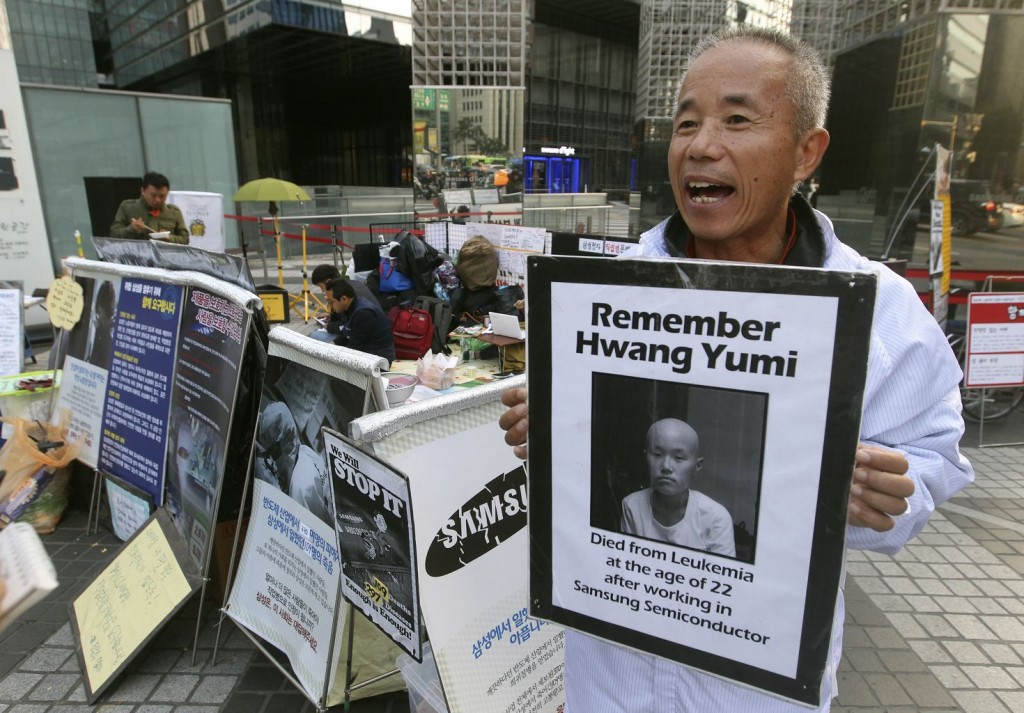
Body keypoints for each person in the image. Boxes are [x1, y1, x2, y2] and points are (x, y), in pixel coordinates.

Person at [498, 26, 974, 712]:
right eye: (686, 121)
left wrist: (883, 493)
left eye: (738, 119)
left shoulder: (881, 310)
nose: (701, 144)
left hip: (759, 689)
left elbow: (930, 460)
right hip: (610, 681)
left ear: (808, 152)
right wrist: (544, 431)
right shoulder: (601, 293)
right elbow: (567, 460)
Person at [622, 419, 735, 557]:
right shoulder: (632, 506)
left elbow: (721, 576)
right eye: (657, 455)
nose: (666, 466)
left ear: (697, 465)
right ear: (645, 456)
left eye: (678, 457)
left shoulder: (716, 518)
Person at [254, 401, 330, 524]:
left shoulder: (300, 489)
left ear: (278, 447)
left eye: (270, 453)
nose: (269, 461)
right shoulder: (306, 453)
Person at [325, 278, 396, 364]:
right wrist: (332, 344)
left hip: (379, 360)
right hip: (368, 353)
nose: (330, 305)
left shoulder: (363, 313)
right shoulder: (351, 306)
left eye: (331, 302)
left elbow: (355, 348)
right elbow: (347, 334)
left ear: (344, 299)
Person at [110, 171, 189, 243]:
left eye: (162, 196)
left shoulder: (174, 212)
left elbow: (185, 239)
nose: (157, 200)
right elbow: (114, 234)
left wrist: (169, 238)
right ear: (143, 191)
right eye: (153, 195)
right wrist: (132, 229)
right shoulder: (128, 208)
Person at [308, 264, 380, 343]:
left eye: (321, 286)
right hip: (369, 336)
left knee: (313, 337)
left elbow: (346, 325)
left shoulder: (343, 293)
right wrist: (331, 316)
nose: (322, 291)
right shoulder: (350, 285)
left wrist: (329, 327)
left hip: (368, 341)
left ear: (328, 282)